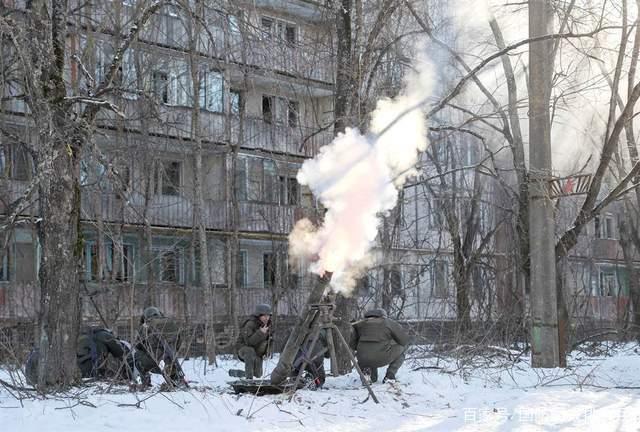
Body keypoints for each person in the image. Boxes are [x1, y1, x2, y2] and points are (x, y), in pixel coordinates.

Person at [25, 327, 127, 385]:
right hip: (89, 373)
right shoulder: (104, 335)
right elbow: (121, 353)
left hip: (73, 372)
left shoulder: (79, 336)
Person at [127, 306, 186, 388]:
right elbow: (179, 343)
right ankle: (174, 380)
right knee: (169, 360)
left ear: (146, 316)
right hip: (172, 362)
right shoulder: (171, 322)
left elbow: (137, 346)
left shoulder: (145, 325)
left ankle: (145, 383)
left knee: (137, 355)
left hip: (155, 363)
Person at [349, 308, 409, 383]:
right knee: (403, 348)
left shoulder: (359, 324)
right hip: (380, 357)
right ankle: (390, 376)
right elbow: (403, 341)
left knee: (373, 377)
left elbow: (353, 345)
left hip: (363, 359)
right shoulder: (388, 322)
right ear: (383, 315)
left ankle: (367, 373)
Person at [236, 303, 272, 379]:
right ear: (258, 315)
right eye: (264, 316)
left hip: (256, 352)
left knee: (258, 375)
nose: (267, 318)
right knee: (249, 351)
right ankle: (249, 379)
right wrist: (260, 332)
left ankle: (240, 374)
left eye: (268, 316)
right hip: (244, 350)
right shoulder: (250, 324)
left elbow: (270, 341)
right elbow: (249, 342)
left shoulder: (268, 326)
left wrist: (267, 352)